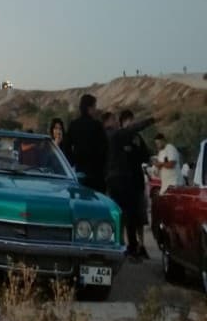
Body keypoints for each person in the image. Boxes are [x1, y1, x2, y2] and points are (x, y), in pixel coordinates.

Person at [106, 109, 154, 260]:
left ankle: (136, 247)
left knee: (136, 217)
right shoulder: (116, 136)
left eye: (133, 121)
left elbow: (146, 156)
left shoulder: (136, 138)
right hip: (119, 182)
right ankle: (121, 245)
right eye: (129, 121)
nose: (132, 124)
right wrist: (151, 120)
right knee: (121, 214)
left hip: (135, 183)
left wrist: (137, 147)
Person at [64, 94, 108, 192]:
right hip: (96, 173)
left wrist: (73, 161)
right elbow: (104, 149)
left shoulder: (74, 125)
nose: (95, 110)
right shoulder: (97, 126)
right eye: (94, 107)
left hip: (79, 171)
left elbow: (66, 146)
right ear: (90, 108)